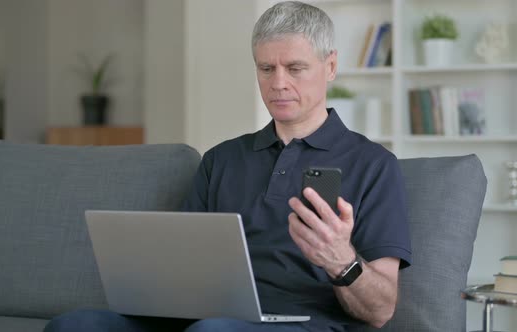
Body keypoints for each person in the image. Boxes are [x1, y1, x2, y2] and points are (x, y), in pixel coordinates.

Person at [44, 1, 411, 332]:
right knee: (75, 324)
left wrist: (341, 261)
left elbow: (381, 311)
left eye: (295, 68)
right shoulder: (222, 159)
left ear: (330, 66)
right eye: (266, 68)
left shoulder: (374, 165)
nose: (278, 83)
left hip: (303, 324)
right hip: (204, 318)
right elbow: (182, 264)